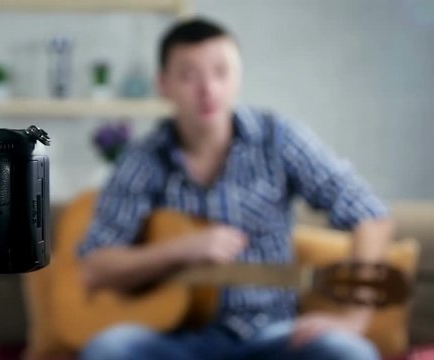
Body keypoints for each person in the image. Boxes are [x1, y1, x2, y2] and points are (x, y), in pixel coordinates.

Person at [77, 18, 394, 360]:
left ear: (238, 77)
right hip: (174, 340)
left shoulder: (278, 137)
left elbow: (369, 214)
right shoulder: (141, 160)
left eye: (221, 72)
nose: (207, 89)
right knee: (108, 350)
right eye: (188, 76)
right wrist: (179, 250)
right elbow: (96, 266)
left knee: (348, 353)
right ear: (164, 84)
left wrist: (353, 317)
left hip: (274, 336)